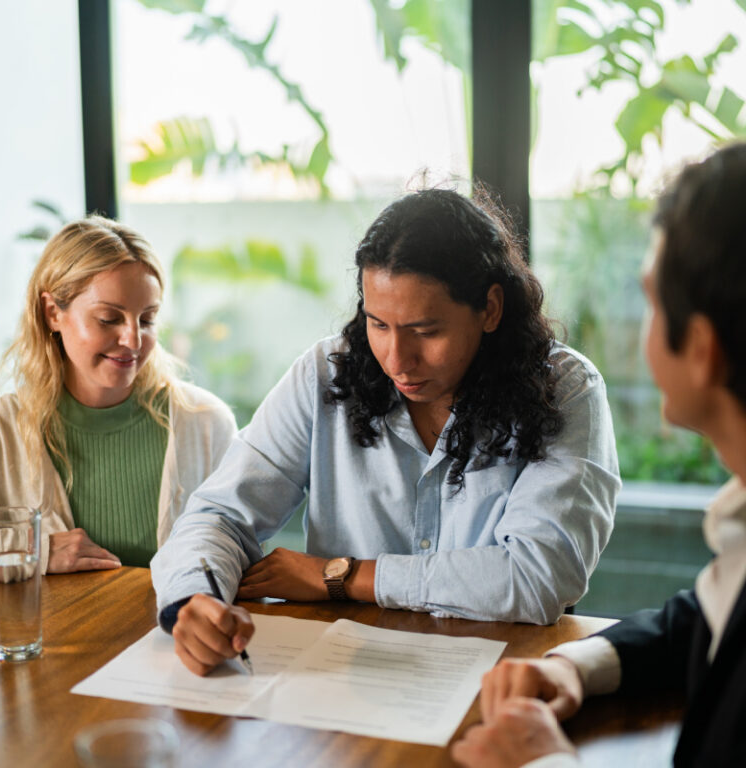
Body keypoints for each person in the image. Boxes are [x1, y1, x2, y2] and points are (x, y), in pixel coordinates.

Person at [151, 187, 620, 676]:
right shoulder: (327, 374)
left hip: (499, 679)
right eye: (378, 324)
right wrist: (192, 600)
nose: (397, 360)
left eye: (426, 331)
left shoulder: (564, 389)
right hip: (341, 677)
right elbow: (221, 513)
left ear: (491, 309)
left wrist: (342, 576)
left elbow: (536, 577)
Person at [451, 142, 746, 768]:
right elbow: (710, 618)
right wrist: (578, 666)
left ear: (701, 346)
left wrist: (543, 761)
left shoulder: (564, 384)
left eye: (650, 300)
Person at [0, 216, 237, 575]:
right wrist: (31, 548)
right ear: (53, 312)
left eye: (146, 320)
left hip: (172, 633)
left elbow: (241, 552)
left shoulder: (206, 423)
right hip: (47, 633)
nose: (133, 340)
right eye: (109, 318)